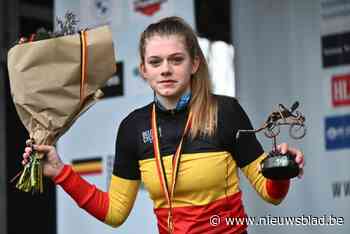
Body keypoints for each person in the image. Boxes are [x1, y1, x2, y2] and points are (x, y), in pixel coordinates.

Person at [22, 16, 304, 234]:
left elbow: (271, 194)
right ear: (144, 70)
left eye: (176, 60)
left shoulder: (225, 112)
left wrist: (281, 168)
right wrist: (60, 172)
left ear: (194, 64)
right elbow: (115, 212)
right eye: (155, 62)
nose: (165, 69)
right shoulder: (133, 127)